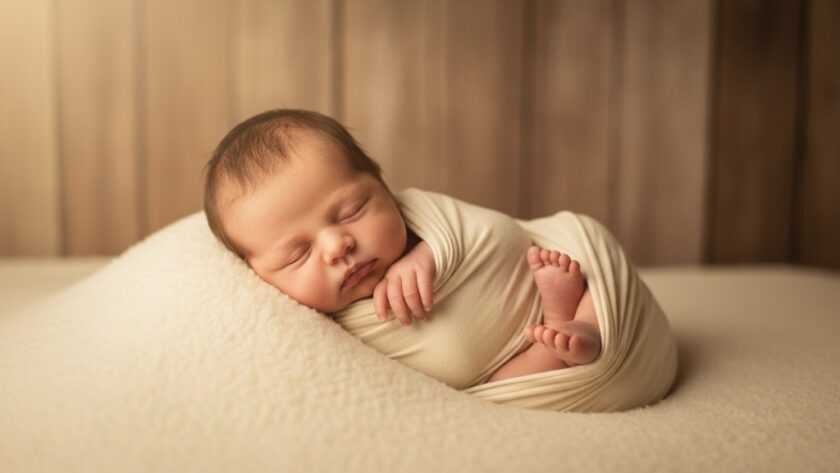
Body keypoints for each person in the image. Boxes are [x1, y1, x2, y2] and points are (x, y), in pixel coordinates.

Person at [203, 109, 601, 384]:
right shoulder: (313, 331)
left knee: (588, 242)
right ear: (259, 275)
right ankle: (559, 338)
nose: (336, 245)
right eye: (298, 254)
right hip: (508, 371)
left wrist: (427, 252)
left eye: (351, 210)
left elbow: (501, 236)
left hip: (534, 279)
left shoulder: (424, 219)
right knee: (500, 387)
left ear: (381, 183)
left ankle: (581, 318)